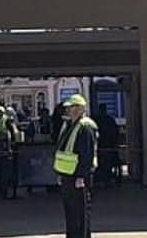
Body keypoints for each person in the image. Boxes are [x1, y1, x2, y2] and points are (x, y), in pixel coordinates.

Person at [54, 94, 97, 238]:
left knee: (80, 212)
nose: (68, 110)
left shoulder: (85, 127)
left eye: (71, 107)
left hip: (78, 177)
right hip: (68, 175)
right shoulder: (70, 125)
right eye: (68, 107)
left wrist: (81, 176)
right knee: (71, 211)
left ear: (79, 109)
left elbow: (87, 154)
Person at [92, 105, 120, 183]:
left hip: (101, 145)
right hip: (109, 145)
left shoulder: (97, 120)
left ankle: (102, 178)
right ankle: (107, 178)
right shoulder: (110, 120)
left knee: (102, 162)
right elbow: (115, 133)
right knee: (108, 163)